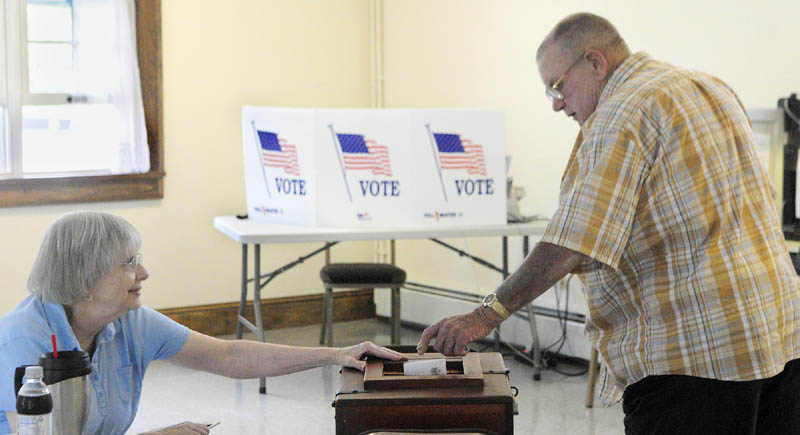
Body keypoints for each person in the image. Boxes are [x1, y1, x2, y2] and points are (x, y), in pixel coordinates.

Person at [417, 12, 800, 435]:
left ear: (596, 62)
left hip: (693, 357)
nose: (559, 104)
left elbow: (573, 238)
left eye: (558, 87)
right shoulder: (707, 86)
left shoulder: (623, 112)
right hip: (777, 334)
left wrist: (484, 316)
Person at [0, 211, 406, 435]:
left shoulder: (130, 322)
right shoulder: (22, 338)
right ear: (84, 281)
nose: (144, 274)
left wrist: (335, 354)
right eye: (129, 264)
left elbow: (228, 355)